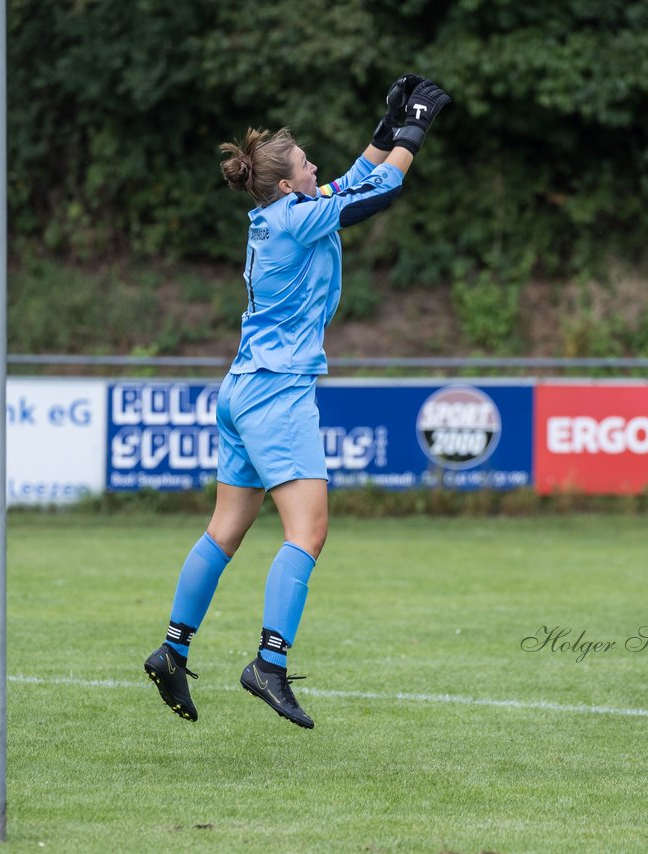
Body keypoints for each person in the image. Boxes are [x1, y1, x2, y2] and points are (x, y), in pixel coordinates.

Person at [144, 74, 453, 728]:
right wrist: (416, 128)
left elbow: (352, 179)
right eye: (307, 162)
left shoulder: (281, 214)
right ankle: (269, 665)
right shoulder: (299, 219)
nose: (318, 167)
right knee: (307, 532)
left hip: (243, 390)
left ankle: (172, 652)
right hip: (278, 394)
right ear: (288, 182)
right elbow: (383, 190)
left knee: (225, 530)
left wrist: (384, 127)